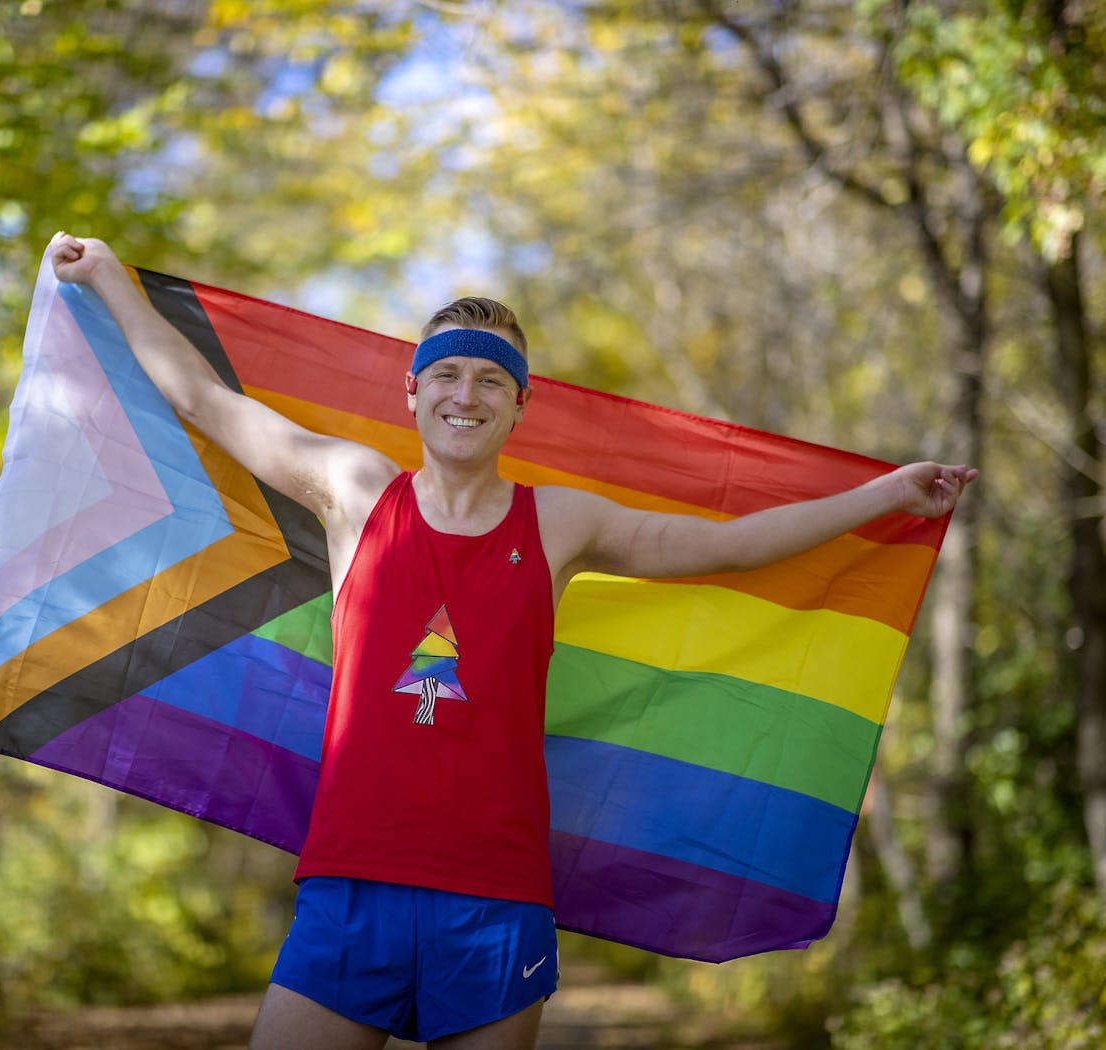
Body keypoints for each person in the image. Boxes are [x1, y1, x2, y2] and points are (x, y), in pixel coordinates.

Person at [48, 231, 976, 1050]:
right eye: (448, 373)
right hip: (349, 880)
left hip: (496, 895)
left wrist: (888, 494)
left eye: (492, 378)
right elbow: (205, 402)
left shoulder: (560, 522)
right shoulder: (354, 489)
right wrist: (112, 281)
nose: (467, 392)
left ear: (520, 405)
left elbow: (728, 547)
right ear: (412, 390)